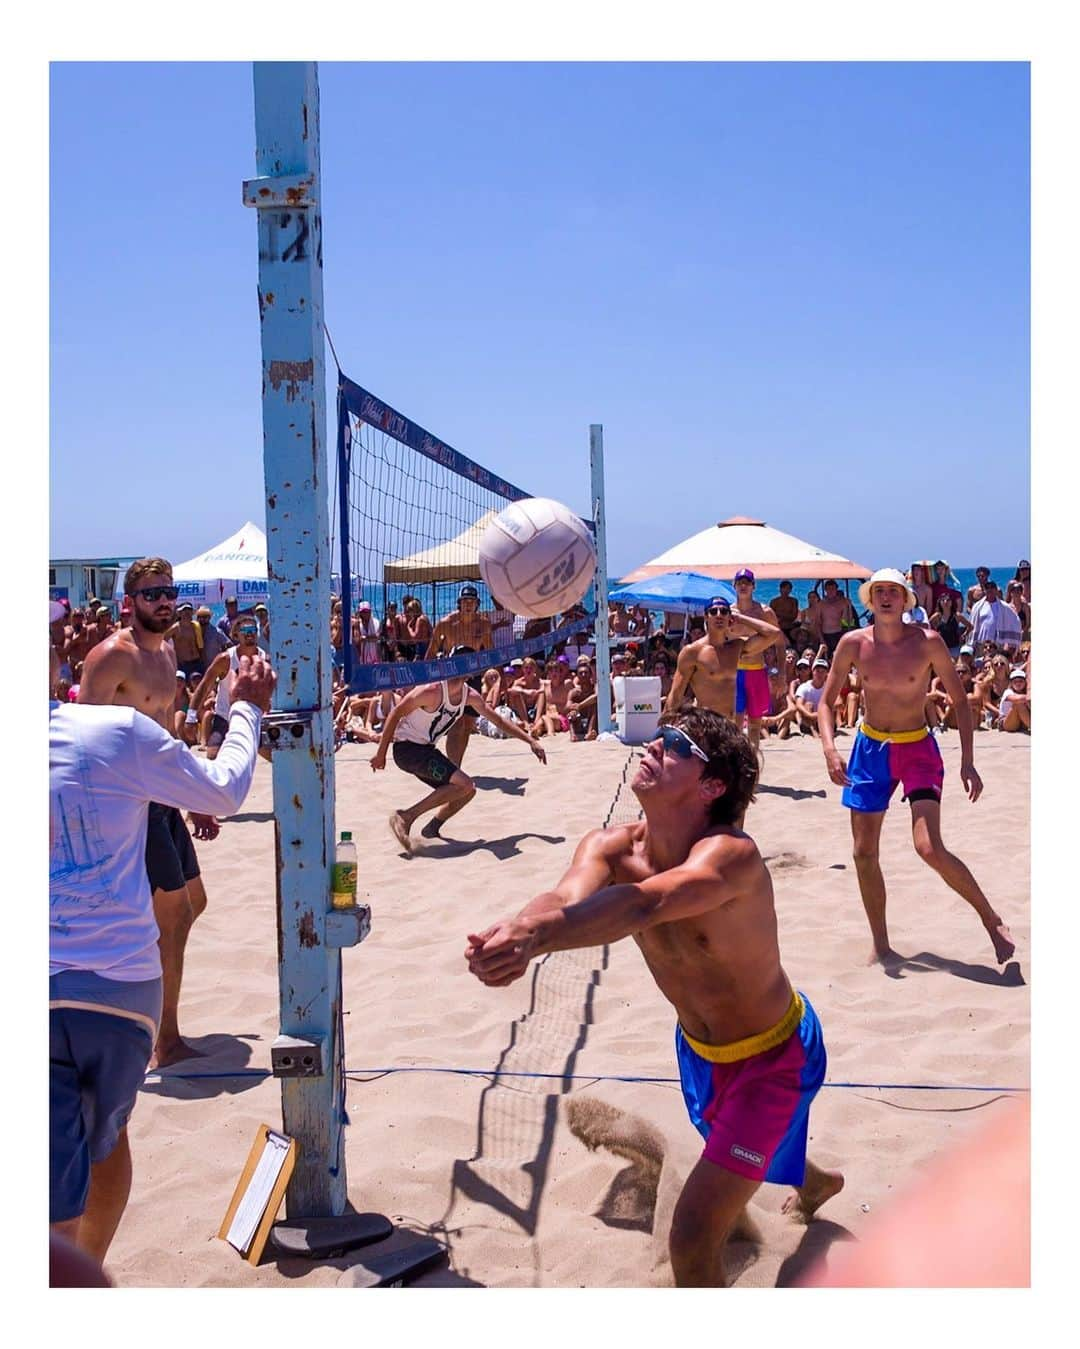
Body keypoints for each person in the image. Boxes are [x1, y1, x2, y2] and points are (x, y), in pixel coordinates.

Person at [464, 709, 843, 1286]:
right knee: (737, 1146)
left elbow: (646, 904)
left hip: (775, 1060)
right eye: (660, 736)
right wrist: (512, 930)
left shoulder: (730, 856)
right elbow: (563, 898)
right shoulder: (612, 846)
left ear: (711, 786)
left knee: (691, 1238)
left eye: (675, 745)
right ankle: (814, 1183)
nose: (654, 745)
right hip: (701, 1055)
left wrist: (535, 939)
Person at [50, 640, 273, 1268]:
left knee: (54, 1165)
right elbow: (224, 790)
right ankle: (80, 1278)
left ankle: (65, 1287)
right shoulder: (119, 728)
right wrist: (246, 708)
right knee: (104, 1139)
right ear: (61, 667)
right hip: (119, 988)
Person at [816, 569, 1015, 967]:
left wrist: (968, 762)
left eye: (894, 592)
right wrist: (829, 749)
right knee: (863, 852)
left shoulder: (928, 642)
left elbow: (960, 702)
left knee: (928, 847)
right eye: (880, 592)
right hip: (871, 749)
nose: (887, 597)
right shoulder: (853, 643)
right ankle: (882, 943)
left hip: (917, 748)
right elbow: (825, 701)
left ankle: (990, 919)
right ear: (870, 600)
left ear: (906, 600)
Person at [78, 557, 221, 1068]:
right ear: (131, 601)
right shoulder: (111, 657)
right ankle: (164, 1040)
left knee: (194, 902)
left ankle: (144, 1005)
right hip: (126, 803)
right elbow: (82, 741)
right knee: (175, 910)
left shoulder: (163, 658)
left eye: (168, 590)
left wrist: (191, 799)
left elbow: (165, 739)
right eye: (152, 593)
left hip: (161, 798)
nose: (164, 600)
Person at [371, 646, 546, 850]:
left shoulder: (468, 695)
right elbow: (396, 713)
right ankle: (406, 816)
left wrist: (530, 741)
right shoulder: (432, 690)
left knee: (467, 791)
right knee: (465, 784)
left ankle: (432, 828)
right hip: (407, 749)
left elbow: (497, 719)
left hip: (425, 750)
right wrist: (381, 753)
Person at [665, 597, 781, 726]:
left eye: (724, 612)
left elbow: (773, 633)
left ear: (729, 618)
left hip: (733, 725)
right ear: (706, 617)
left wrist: (741, 618)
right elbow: (676, 694)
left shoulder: (736, 647)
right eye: (714, 612)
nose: (719, 615)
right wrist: (663, 729)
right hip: (707, 724)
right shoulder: (693, 652)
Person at [426, 584, 494, 768]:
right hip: (452, 677)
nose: (468, 604)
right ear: (459, 603)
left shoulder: (484, 624)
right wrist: (426, 677)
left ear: (478, 603)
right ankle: (453, 767)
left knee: (468, 724)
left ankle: (457, 766)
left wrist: (492, 674)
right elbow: (431, 652)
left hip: (474, 676)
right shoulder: (446, 624)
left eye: (472, 601)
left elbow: (489, 651)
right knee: (457, 723)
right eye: (465, 601)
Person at [188, 616, 268, 760]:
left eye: (253, 630)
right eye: (245, 630)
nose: (249, 633)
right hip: (225, 717)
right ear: (236, 634)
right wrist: (191, 717)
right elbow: (204, 686)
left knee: (273, 756)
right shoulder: (225, 659)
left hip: (253, 718)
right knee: (212, 756)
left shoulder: (264, 659)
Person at [970, 580, 1022, 652]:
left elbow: (1015, 620)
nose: (990, 590)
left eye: (992, 587)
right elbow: (973, 623)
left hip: (997, 643)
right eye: (987, 588)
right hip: (981, 642)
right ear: (984, 591)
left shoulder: (1004, 607)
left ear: (996, 590)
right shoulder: (978, 607)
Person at [818, 579, 856, 657]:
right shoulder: (821, 604)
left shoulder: (842, 602)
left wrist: (847, 606)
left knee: (839, 656)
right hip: (826, 634)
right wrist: (821, 640)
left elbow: (846, 622)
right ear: (825, 590)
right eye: (829, 589)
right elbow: (818, 623)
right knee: (827, 657)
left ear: (836, 589)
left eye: (833, 589)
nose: (831, 591)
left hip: (838, 633)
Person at [793, 657, 830, 736]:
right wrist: (809, 715)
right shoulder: (804, 686)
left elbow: (838, 702)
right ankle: (814, 731)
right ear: (812, 672)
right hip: (808, 720)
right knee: (809, 704)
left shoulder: (828, 687)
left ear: (827, 673)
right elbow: (798, 704)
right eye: (817, 671)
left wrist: (822, 713)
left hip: (823, 718)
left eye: (823, 671)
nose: (820, 674)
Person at [168, 602, 205, 679]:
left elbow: (200, 645)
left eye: (189, 611)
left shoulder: (195, 627)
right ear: (180, 613)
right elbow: (162, 642)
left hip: (197, 662)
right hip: (183, 664)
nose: (187, 613)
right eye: (185, 611)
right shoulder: (175, 628)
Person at [929, 592, 971, 658]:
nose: (945, 602)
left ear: (951, 602)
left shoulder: (957, 615)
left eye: (948, 600)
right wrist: (935, 634)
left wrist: (964, 635)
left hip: (955, 647)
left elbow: (970, 626)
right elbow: (928, 626)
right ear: (940, 603)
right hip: (941, 647)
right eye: (943, 600)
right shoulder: (937, 616)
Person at [997, 668, 1030, 733]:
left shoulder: (1026, 692)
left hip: (1021, 722)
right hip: (1007, 722)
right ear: (1011, 683)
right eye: (1015, 682)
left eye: (1020, 681)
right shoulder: (1008, 692)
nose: (1018, 683)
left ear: (1025, 682)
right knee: (1018, 704)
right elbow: (1016, 699)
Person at [768, 581, 799, 645]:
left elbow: (793, 616)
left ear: (790, 590)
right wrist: (786, 616)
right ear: (780, 589)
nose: (786, 590)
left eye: (788, 589)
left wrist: (778, 614)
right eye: (784, 588)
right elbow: (771, 617)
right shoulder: (774, 601)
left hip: (790, 628)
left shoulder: (793, 601)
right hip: (778, 628)